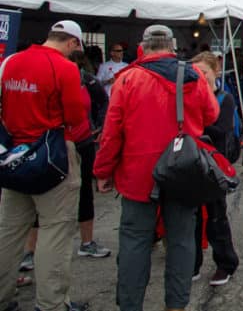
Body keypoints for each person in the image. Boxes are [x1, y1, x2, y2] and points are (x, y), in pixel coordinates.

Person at [93, 24, 218, 311]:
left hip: (138, 174)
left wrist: (102, 171)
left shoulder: (127, 79)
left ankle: (130, 305)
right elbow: (211, 113)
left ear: (143, 46)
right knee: (182, 241)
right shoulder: (192, 75)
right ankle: (175, 306)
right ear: (173, 47)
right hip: (183, 170)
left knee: (135, 242)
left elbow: (111, 133)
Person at [0, 20, 88, 311]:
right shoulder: (65, 68)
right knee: (55, 230)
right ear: (73, 43)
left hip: (13, 155)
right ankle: (51, 304)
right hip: (51, 156)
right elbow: (75, 116)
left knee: (9, 230)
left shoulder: (12, 62)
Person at [190, 52, 239, 287]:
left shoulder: (224, 98)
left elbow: (223, 131)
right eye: (195, 72)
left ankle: (225, 264)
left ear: (215, 72)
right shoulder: (188, 97)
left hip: (214, 166)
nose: (200, 76)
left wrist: (199, 123)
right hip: (190, 163)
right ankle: (192, 264)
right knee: (192, 218)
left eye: (204, 72)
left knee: (217, 217)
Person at [66, 51, 111, 259]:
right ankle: (31, 250)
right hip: (54, 142)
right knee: (46, 194)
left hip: (83, 142)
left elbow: (103, 102)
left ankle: (86, 241)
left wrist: (100, 126)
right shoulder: (52, 76)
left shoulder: (88, 80)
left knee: (85, 191)